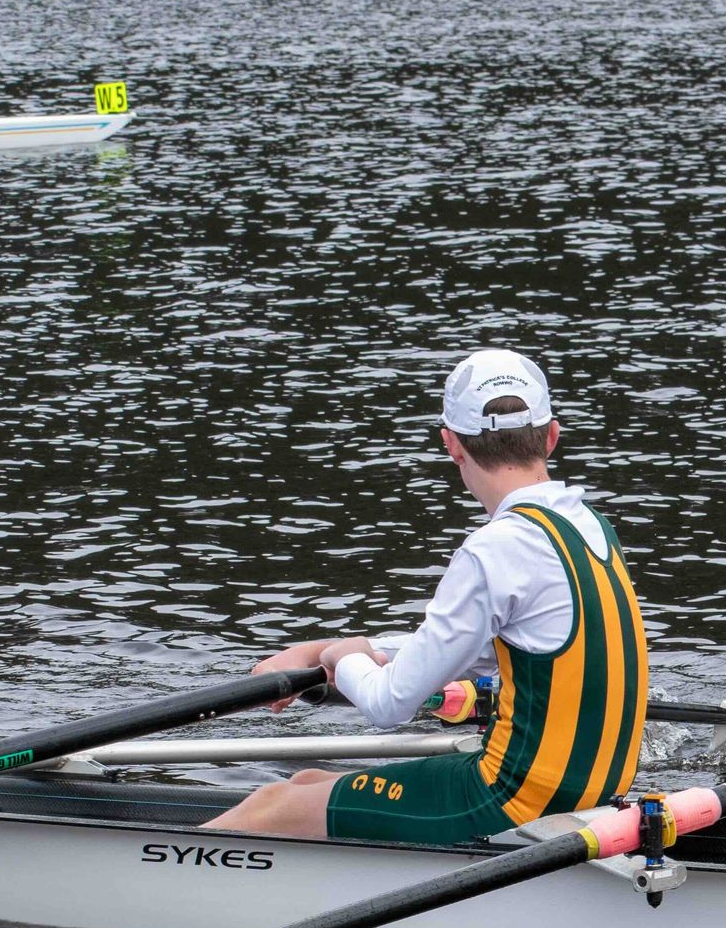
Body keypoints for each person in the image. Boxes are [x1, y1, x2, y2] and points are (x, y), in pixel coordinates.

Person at [205, 349, 649, 842]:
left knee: (271, 805)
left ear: (451, 444)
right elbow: (473, 650)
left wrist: (342, 656)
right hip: (591, 794)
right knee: (306, 783)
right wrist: (323, 651)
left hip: (510, 798)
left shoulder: (495, 548)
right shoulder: (589, 526)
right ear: (551, 436)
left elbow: (389, 702)